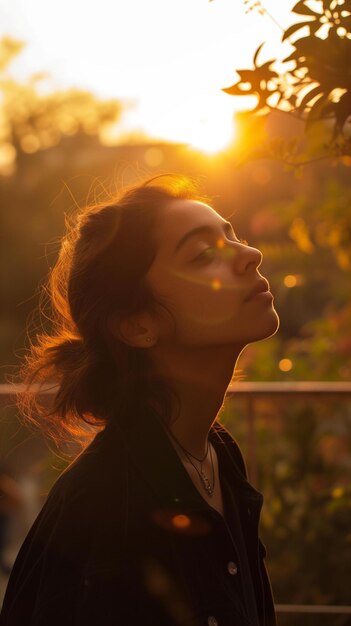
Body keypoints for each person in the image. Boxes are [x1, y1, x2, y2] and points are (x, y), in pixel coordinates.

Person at [0, 174, 280, 626]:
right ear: (137, 325)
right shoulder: (107, 508)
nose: (251, 255)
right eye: (205, 254)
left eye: (235, 237)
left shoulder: (216, 454)